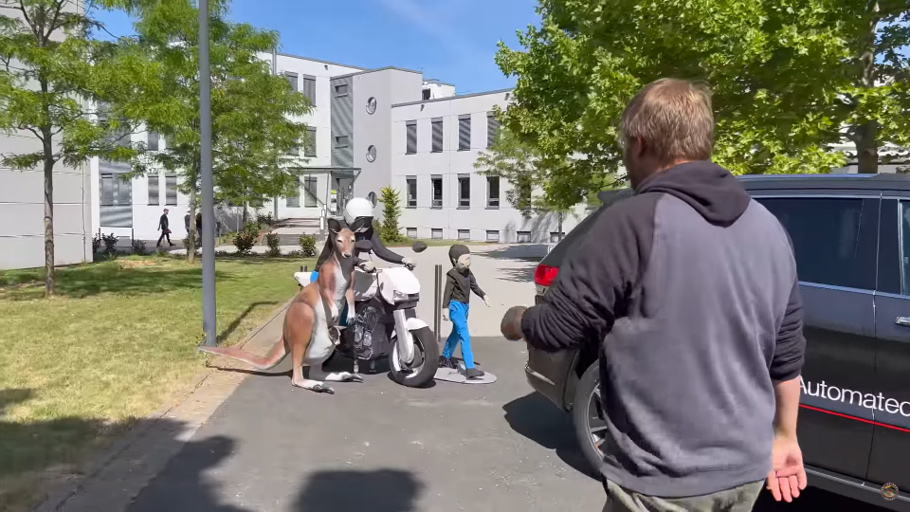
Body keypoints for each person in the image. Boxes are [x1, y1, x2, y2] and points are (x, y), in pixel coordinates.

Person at [500, 78, 807, 511]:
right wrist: (786, 437)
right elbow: (787, 356)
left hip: (664, 482)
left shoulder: (633, 220)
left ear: (639, 143)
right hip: (745, 474)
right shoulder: (768, 226)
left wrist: (516, 321)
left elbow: (557, 329)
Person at [311, 197, 415, 326]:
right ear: (351, 217)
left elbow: (380, 250)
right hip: (324, 274)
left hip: (347, 273)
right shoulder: (339, 230)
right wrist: (360, 262)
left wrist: (403, 259)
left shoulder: (368, 230)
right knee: (332, 313)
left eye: (368, 220)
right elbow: (342, 254)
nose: (365, 224)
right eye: (361, 220)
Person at [439, 244, 492, 379]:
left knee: (456, 333)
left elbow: (475, 286)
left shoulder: (468, 273)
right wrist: (445, 308)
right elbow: (447, 292)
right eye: (465, 259)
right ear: (455, 261)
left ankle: (445, 357)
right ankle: (470, 368)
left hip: (465, 306)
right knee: (464, 334)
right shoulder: (452, 275)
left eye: (469, 258)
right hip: (455, 306)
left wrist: (484, 295)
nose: (468, 262)